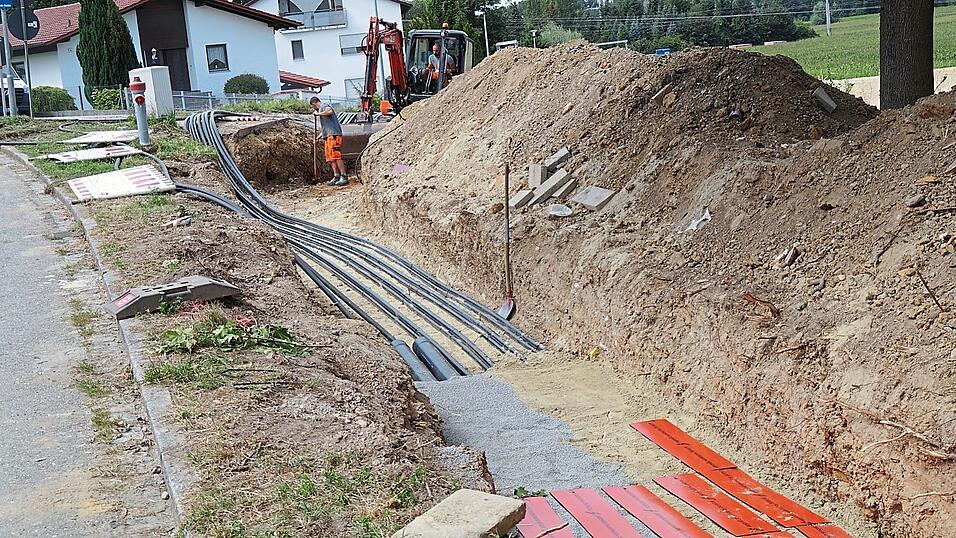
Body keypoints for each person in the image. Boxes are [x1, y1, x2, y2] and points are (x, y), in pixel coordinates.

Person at [310, 96, 347, 186]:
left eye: (312, 106)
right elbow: (326, 128)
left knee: (336, 156)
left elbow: (329, 111)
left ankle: (344, 176)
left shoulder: (324, 106)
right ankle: (336, 176)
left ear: (314, 103)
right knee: (331, 158)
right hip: (328, 136)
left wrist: (318, 114)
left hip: (334, 135)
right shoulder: (322, 111)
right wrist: (319, 137)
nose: (313, 108)